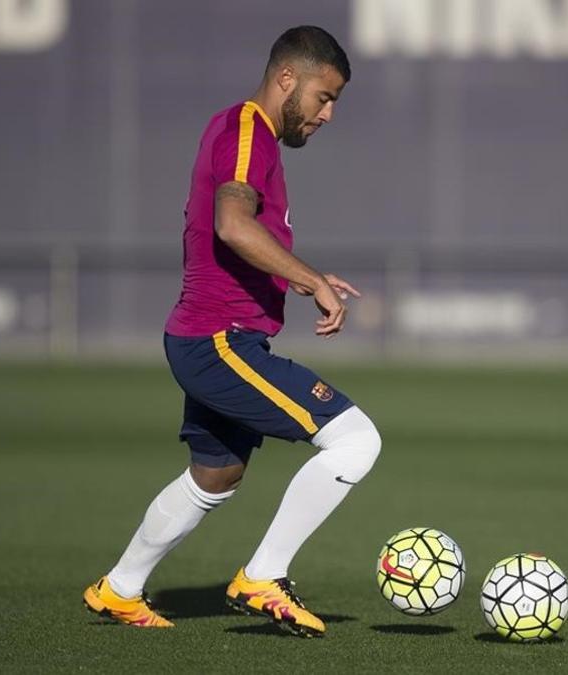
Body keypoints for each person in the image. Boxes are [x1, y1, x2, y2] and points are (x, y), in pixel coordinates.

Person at [83, 25, 379, 638]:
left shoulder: (250, 136)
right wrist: (311, 280)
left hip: (213, 338)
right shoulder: (249, 130)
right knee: (355, 440)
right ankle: (263, 576)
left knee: (216, 474)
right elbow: (232, 224)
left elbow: (245, 234)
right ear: (287, 80)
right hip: (218, 341)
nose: (327, 115)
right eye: (324, 97)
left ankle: (119, 589)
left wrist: (302, 275)